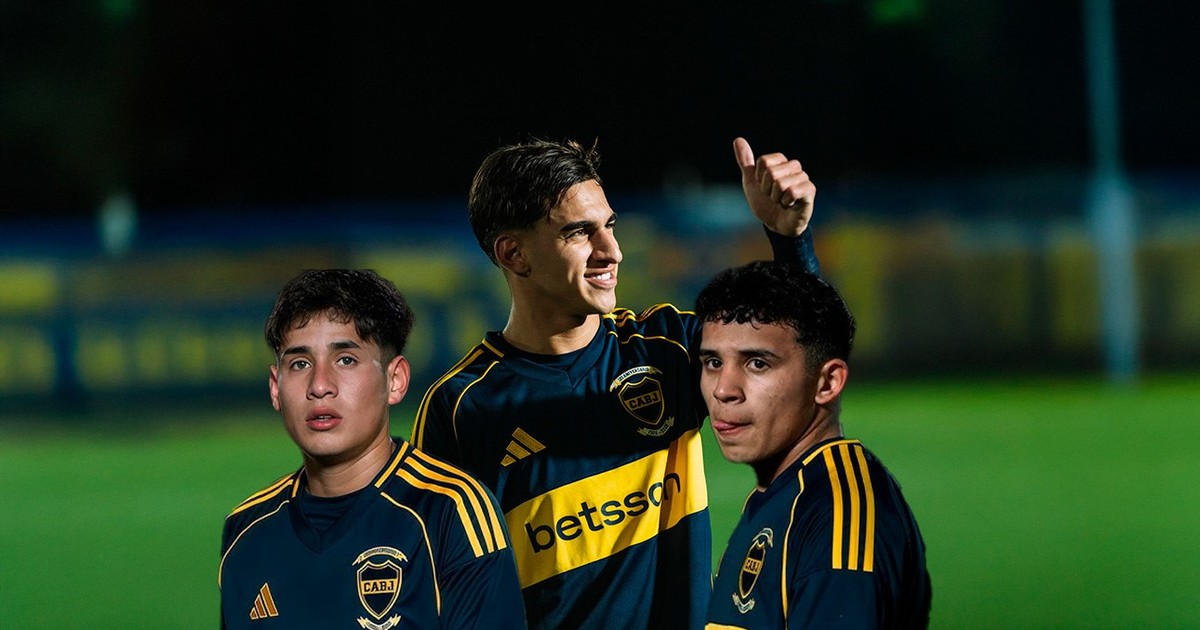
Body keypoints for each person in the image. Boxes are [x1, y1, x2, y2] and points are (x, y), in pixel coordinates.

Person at [410, 136, 820, 629]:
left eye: (609, 226)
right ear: (514, 254)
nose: (612, 251)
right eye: (580, 233)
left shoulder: (667, 350)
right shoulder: (462, 409)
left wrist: (790, 239)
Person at [219, 269, 527, 629]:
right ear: (276, 387)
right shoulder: (246, 531)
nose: (320, 386)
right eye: (300, 364)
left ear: (394, 380)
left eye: (345, 360)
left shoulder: (450, 512)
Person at [695, 261, 931, 629]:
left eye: (757, 364)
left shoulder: (837, 517)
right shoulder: (785, 493)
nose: (724, 390)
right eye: (713, 362)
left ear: (828, 383)